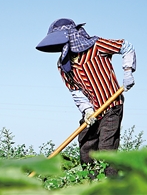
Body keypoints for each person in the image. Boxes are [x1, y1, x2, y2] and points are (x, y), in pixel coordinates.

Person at [36, 18, 136, 178]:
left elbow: (126, 46)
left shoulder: (96, 47)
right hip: (93, 111)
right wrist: (87, 111)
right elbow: (75, 91)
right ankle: (90, 182)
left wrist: (128, 71)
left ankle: (112, 185)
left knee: (106, 149)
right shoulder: (63, 65)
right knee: (86, 146)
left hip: (112, 106)